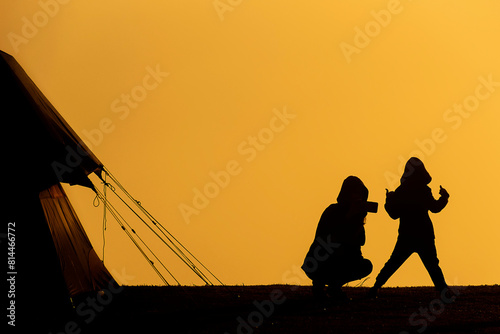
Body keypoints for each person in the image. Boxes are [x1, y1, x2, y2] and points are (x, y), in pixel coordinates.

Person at [368, 157, 450, 298]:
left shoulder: (402, 191)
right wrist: (444, 197)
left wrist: (389, 201)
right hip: (425, 234)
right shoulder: (424, 190)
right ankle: (443, 290)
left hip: (407, 234)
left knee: (393, 262)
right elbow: (435, 208)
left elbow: (394, 214)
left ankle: (376, 287)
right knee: (432, 264)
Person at [302, 176, 373, 301]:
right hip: (319, 262)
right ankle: (320, 284)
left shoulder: (357, 217)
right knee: (337, 252)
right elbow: (333, 238)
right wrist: (349, 215)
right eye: (355, 193)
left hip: (339, 263)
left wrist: (359, 219)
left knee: (366, 265)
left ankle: (334, 287)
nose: (358, 198)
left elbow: (360, 241)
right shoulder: (332, 211)